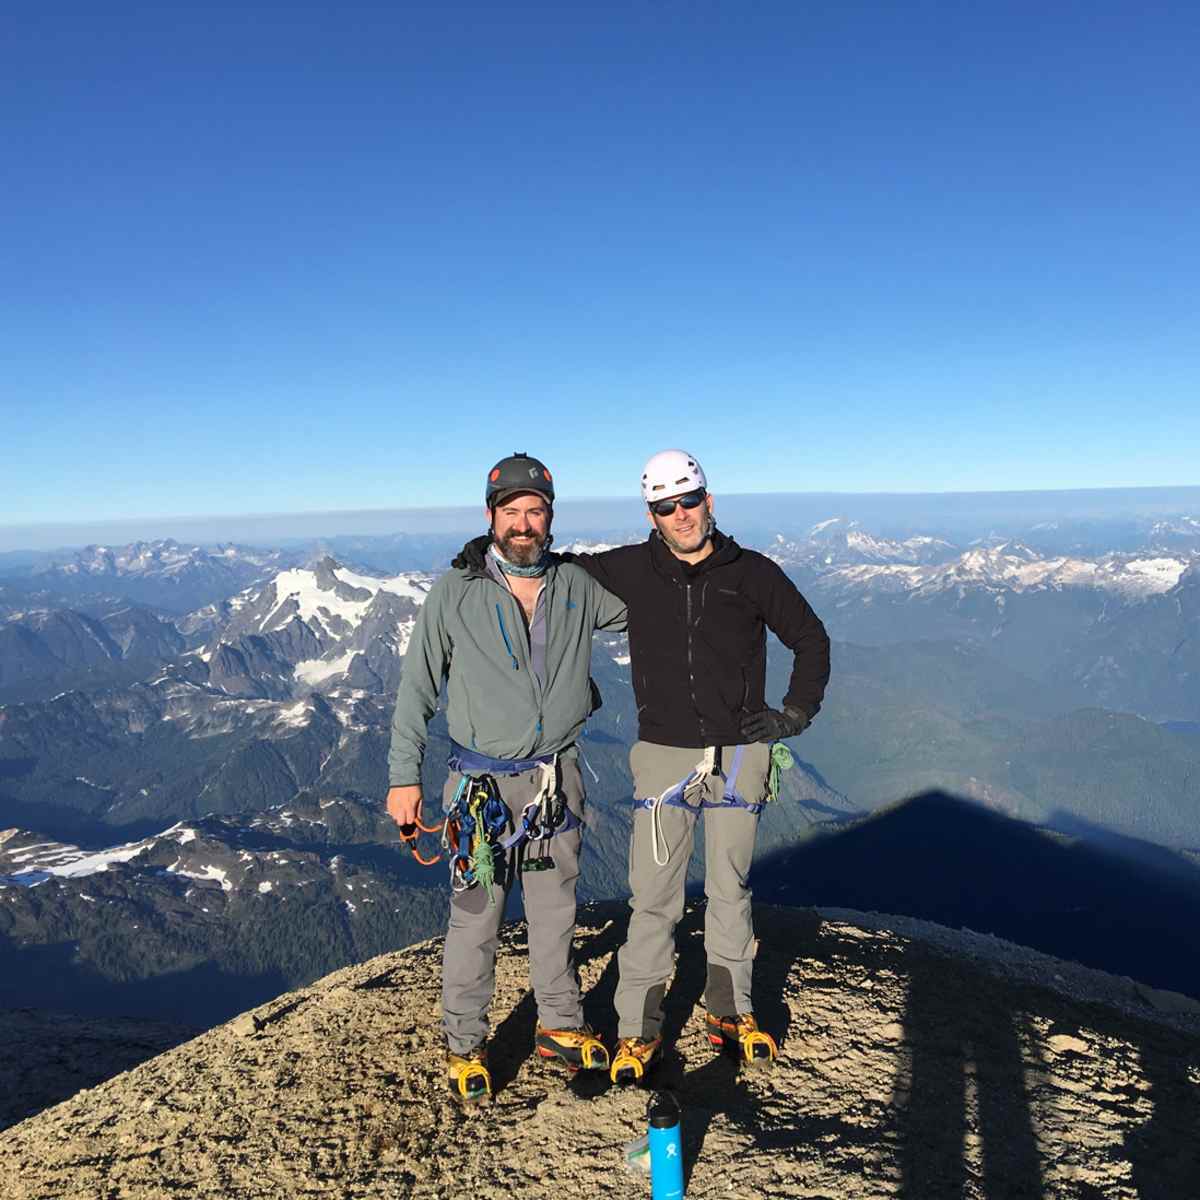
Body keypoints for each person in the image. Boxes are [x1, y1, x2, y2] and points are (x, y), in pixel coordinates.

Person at [459, 449, 830, 1081]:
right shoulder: (632, 569)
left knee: (729, 888)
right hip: (663, 755)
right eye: (666, 506)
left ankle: (730, 1008)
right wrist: (489, 555)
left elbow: (811, 639)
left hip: (742, 754)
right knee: (655, 897)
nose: (681, 515)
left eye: (689, 501)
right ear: (651, 514)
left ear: (709, 501)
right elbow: (555, 568)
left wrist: (793, 715)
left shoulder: (754, 574)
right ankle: (639, 1026)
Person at [386, 452, 627, 1101]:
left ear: (550, 517)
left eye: (536, 510)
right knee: (476, 917)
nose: (524, 523)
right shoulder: (456, 591)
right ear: (492, 517)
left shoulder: (579, 585)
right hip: (481, 792)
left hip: (555, 782)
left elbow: (656, 615)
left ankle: (560, 1025)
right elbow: (417, 687)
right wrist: (402, 777)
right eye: (512, 511)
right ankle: (465, 1042)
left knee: (554, 911)